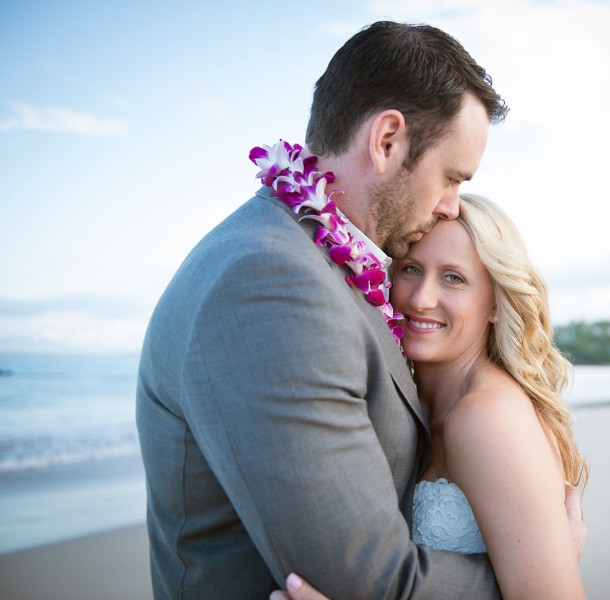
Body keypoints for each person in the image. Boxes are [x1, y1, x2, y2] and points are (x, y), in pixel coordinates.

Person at [136, 21, 512, 599]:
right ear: (387, 140)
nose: (449, 207)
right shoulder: (269, 282)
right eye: (451, 177)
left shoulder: (320, 264)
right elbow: (369, 585)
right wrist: (537, 563)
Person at [272, 194, 588, 600]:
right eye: (411, 269)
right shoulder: (414, 404)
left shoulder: (487, 417)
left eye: (453, 278)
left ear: (495, 302)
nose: (421, 298)